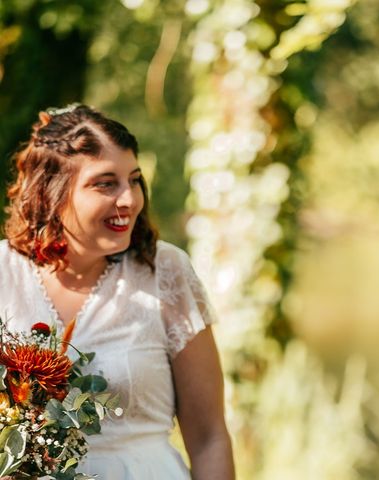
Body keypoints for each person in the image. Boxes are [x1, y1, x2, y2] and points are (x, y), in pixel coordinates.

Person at [0, 105, 235, 479]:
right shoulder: (3, 274)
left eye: (135, 180)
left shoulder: (166, 272)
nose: (129, 199)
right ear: (51, 193)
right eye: (106, 183)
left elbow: (209, 438)